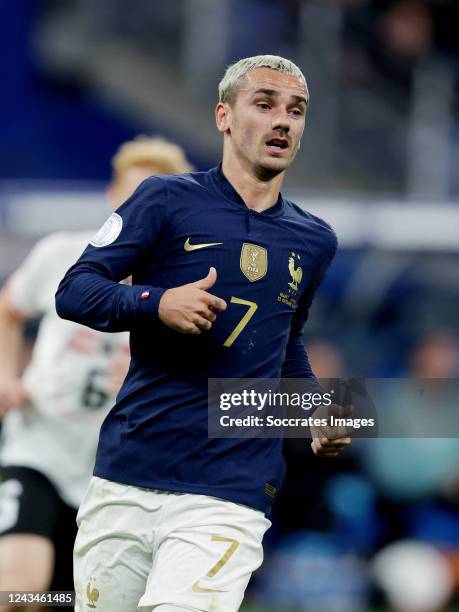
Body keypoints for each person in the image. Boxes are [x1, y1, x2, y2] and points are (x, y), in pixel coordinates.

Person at [56, 55, 351, 612]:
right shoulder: (164, 199)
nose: (282, 122)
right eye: (264, 105)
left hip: (231, 488)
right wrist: (156, 301)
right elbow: (74, 290)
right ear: (223, 116)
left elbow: (284, 340)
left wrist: (316, 410)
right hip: (129, 472)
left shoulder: (316, 240)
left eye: (295, 111)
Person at [0, 136, 193, 611]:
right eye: (133, 195)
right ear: (113, 198)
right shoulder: (62, 254)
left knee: (70, 598)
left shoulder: (185, 287)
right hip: (40, 448)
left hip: (111, 475)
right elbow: (9, 309)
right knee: (18, 589)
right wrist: (5, 375)